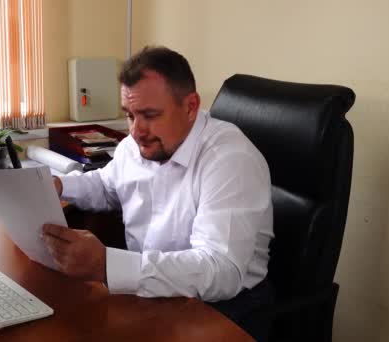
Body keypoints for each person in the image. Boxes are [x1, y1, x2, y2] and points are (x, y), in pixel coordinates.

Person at [41, 46, 274, 340]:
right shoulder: (139, 144)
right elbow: (107, 184)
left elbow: (221, 270)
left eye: (150, 115)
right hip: (151, 291)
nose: (136, 131)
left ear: (190, 107)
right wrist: (60, 185)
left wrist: (107, 265)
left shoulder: (230, 159)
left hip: (222, 308)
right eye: (129, 115)